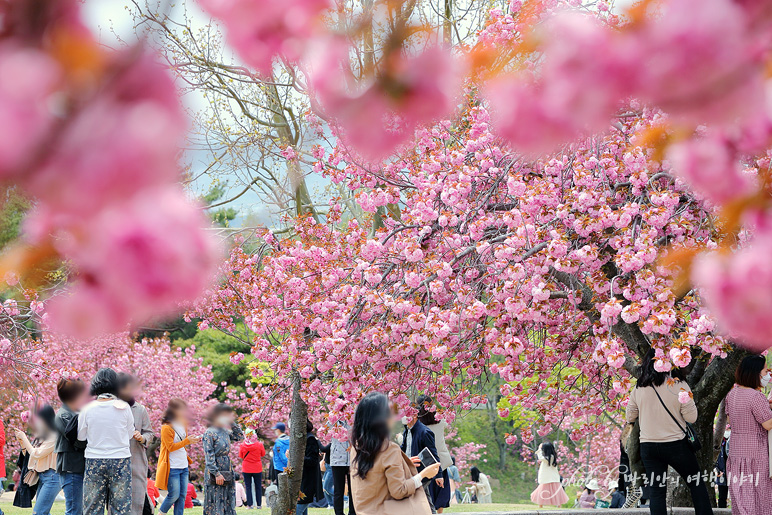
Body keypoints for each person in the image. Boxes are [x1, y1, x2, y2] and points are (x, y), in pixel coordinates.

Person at [626, 350, 713, 515]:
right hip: (676, 445)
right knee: (696, 484)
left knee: (657, 492)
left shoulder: (639, 387)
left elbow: (630, 416)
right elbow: (692, 417)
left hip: (649, 446)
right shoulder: (680, 385)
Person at [350, 392, 441, 515]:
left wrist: (404, 462)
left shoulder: (356, 448)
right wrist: (423, 474)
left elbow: (376, 475)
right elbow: (399, 491)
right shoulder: (389, 448)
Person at [78, 368, 135, 515]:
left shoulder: (87, 409)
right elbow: (130, 434)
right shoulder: (125, 408)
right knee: (121, 506)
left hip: (94, 460)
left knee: (92, 506)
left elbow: (81, 437)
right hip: (120, 460)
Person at [725, 354, 772, 514]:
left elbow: (731, 418)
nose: (767, 375)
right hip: (756, 455)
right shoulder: (756, 396)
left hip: (736, 453)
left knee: (741, 498)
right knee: (759, 498)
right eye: (765, 371)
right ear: (755, 373)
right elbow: (768, 424)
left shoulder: (732, 394)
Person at [117, 373, 156, 515]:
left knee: (138, 500)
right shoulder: (112, 408)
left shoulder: (140, 409)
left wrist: (142, 438)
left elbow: (150, 434)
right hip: (115, 461)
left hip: (136, 460)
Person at [14, 405, 60, 515]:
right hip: (43, 477)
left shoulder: (54, 435)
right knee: (43, 512)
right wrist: (22, 442)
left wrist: (25, 438)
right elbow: (30, 455)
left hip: (52, 477)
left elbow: (37, 454)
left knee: (38, 512)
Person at [156, 398, 199, 515]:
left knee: (182, 496)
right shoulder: (166, 427)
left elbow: (183, 442)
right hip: (172, 466)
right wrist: (187, 441)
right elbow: (170, 447)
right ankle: (161, 513)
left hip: (183, 465)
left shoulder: (183, 424)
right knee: (173, 495)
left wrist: (192, 440)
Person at [54, 378, 89, 515]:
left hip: (79, 467)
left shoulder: (75, 412)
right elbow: (77, 441)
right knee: (74, 510)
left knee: (78, 510)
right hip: (71, 469)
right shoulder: (64, 415)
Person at [202, 403, 244, 515]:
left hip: (227, 467)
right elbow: (209, 456)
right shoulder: (209, 433)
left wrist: (231, 422)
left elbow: (240, 436)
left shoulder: (225, 431)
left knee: (227, 497)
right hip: (215, 469)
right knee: (215, 498)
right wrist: (216, 473)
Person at [400, 400, 441, 513]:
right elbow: (402, 449)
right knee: (423, 497)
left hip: (422, 470)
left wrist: (439, 475)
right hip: (410, 470)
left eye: (406, 413)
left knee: (418, 495)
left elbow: (433, 453)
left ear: (414, 414)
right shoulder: (407, 431)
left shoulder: (424, 432)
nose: (403, 416)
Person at [417, 396, 452, 513]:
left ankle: (429, 511)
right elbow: (447, 422)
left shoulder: (418, 424)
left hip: (425, 459)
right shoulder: (440, 421)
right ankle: (439, 512)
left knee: (429, 488)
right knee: (441, 488)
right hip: (441, 459)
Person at [529, 441, 569, 508]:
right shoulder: (552, 457)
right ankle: (557, 505)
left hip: (549, 477)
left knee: (543, 490)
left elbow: (540, 457)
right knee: (555, 491)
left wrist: (539, 449)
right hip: (552, 478)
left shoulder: (549, 457)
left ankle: (542, 505)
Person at [296, 419, 324, 515]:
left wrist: (297, 457)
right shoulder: (303, 438)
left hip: (308, 479)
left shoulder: (310, 439)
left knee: (299, 508)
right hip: (303, 478)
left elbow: (312, 460)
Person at [329, 421, 354, 515]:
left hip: (352, 460)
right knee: (338, 490)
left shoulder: (353, 419)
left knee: (353, 489)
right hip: (337, 460)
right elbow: (325, 434)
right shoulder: (332, 420)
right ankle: (339, 513)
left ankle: (352, 512)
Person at [239, 428, 266, 509]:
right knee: (258, 486)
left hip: (246, 468)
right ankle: (259, 505)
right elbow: (263, 454)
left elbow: (241, 456)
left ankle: (250, 505)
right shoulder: (259, 444)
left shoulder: (243, 445)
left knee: (248, 487)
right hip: (257, 468)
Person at [714, 429, 729, 509]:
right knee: (722, 497)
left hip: (733, 473)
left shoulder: (734, 441)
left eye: (729, 429)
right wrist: (716, 469)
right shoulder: (718, 442)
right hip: (722, 473)